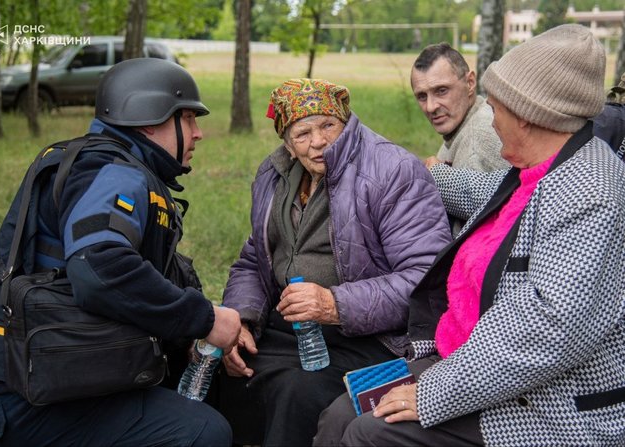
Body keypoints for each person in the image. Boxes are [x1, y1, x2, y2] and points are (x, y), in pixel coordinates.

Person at [314, 24, 625, 446]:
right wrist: (420, 173)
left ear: (528, 114)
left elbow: (545, 332)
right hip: (467, 358)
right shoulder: (530, 171)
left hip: (548, 403)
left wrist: (433, 393)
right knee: (338, 415)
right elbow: (478, 190)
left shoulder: (592, 193)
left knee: (369, 434)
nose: (489, 119)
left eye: (495, 107)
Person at [0, 58, 241, 446]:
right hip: (23, 393)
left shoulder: (115, 166)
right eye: (189, 118)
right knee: (203, 432)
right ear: (148, 120)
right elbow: (99, 267)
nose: (198, 133)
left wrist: (189, 331)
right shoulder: (113, 171)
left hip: (47, 372)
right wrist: (203, 318)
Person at [210, 78, 452, 447]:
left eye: (328, 126)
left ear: (347, 121)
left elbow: (425, 281)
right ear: (288, 144)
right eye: (303, 133)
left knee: (297, 391)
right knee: (221, 367)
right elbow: (253, 259)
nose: (318, 141)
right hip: (295, 325)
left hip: (374, 335)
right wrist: (240, 317)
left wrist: (333, 304)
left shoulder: (391, 170)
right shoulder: (275, 175)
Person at [411, 43, 509, 237]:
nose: (430, 107)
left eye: (441, 91)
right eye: (422, 96)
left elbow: (475, 237)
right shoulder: (465, 122)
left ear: (470, 83)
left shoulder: (476, 140)